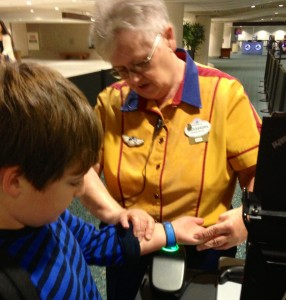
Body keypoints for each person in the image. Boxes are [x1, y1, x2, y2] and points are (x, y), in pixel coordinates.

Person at [84, 0, 262, 298]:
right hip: (130, 244)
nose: (134, 80)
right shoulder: (110, 102)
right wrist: (115, 213)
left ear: (168, 36)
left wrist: (247, 219)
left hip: (203, 247)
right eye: (121, 70)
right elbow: (82, 172)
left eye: (141, 63)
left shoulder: (224, 94)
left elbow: (260, 172)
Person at [0, 62, 209, 299]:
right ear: (15, 182)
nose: (81, 191)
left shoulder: (47, 216)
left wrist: (172, 231)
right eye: (73, 181)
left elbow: (93, 243)